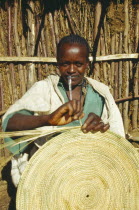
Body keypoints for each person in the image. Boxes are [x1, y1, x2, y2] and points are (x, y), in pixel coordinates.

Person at [2, 34, 125, 187]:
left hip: (91, 172)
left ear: (87, 63)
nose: (71, 70)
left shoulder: (100, 94)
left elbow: (118, 138)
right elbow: (10, 123)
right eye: (65, 64)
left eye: (78, 64)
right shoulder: (45, 89)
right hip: (50, 173)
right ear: (57, 63)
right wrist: (48, 119)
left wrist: (101, 131)